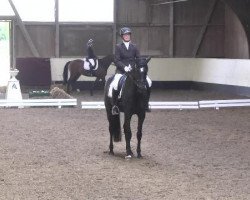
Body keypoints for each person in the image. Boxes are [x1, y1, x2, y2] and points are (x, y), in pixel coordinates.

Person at [110, 27, 152, 115]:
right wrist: (124, 67)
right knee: (115, 84)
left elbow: (138, 58)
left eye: (128, 35)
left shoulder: (134, 46)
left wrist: (140, 63)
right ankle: (115, 106)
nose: (127, 36)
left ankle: (146, 104)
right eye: (125, 35)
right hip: (121, 71)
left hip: (133, 71)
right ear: (122, 36)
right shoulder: (118, 47)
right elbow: (117, 60)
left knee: (149, 81)